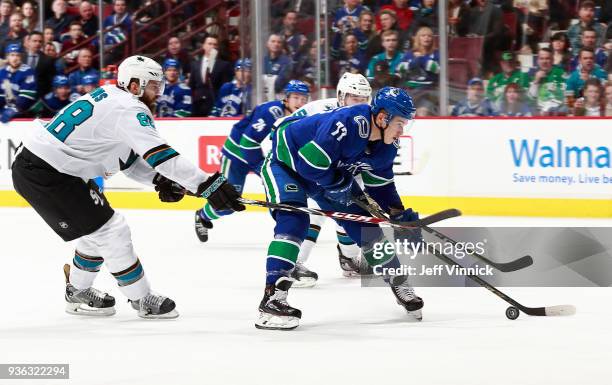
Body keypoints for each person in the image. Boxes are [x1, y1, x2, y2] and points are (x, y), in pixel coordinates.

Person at [11, 55, 244, 319]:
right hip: (49, 172)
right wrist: (207, 184)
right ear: (135, 85)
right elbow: (161, 156)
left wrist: (159, 180)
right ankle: (142, 299)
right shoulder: (129, 108)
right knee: (111, 230)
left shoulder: (112, 97)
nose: (160, 92)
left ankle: (77, 291)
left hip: (50, 167)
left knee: (97, 229)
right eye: (155, 86)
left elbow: (127, 160)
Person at [255, 87, 422, 330]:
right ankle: (272, 299)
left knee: (365, 226)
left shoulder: (386, 146)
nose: (402, 129)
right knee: (294, 221)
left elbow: (382, 187)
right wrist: (339, 183)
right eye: (399, 122)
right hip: (286, 163)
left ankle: (398, 281)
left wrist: (399, 214)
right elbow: (309, 164)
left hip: (327, 172)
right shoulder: (347, 123)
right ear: (383, 117)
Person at [194, 80, 310, 243]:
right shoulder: (272, 111)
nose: (300, 103)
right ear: (286, 98)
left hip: (256, 156)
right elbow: (247, 143)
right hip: (236, 156)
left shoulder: (299, 116)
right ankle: (202, 215)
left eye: (304, 99)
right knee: (228, 204)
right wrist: (264, 170)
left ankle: (288, 228)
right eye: (296, 98)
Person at [287, 73, 372, 287]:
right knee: (315, 214)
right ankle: (293, 263)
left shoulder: (370, 117)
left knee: (351, 214)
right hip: (315, 170)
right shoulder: (318, 108)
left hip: (348, 172)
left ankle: (349, 257)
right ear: (341, 96)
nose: (360, 104)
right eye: (355, 98)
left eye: (364, 99)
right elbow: (283, 127)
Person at [189, 34, 233, 116]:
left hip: (215, 105)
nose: (212, 46)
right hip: (197, 106)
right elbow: (191, 86)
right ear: (204, 46)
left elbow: (226, 88)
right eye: (209, 44)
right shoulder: (195, 64)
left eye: (215, 44)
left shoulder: (224, 65)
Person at [0, 44, 37, 123]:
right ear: (7, 57)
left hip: (24, 113)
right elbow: (1, 95)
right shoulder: (3, 72)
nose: (15, 58)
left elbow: (26, 97)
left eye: (18, 55)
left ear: (21, 57)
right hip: (5, 110)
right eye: (12, 55)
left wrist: (14, 109)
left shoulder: (28, 72)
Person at [527, 47, 566, 115]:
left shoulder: (560, 73)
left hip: (557, 112)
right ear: (537, 61)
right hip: (540, 113)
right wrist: (536, 82)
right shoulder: (533, 75)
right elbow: (530, 99)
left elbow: (566, 96)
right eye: (541, 58)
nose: (544, 61)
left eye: (547, 58)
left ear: (552, 60)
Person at [23, 31, 56, 98]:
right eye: (34, 41)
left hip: (40, 97)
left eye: (40, 41)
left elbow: (51, 81)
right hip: (22, 95)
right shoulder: (21, 58)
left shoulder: (48, 60)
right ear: (28, 42)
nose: (37, 43)